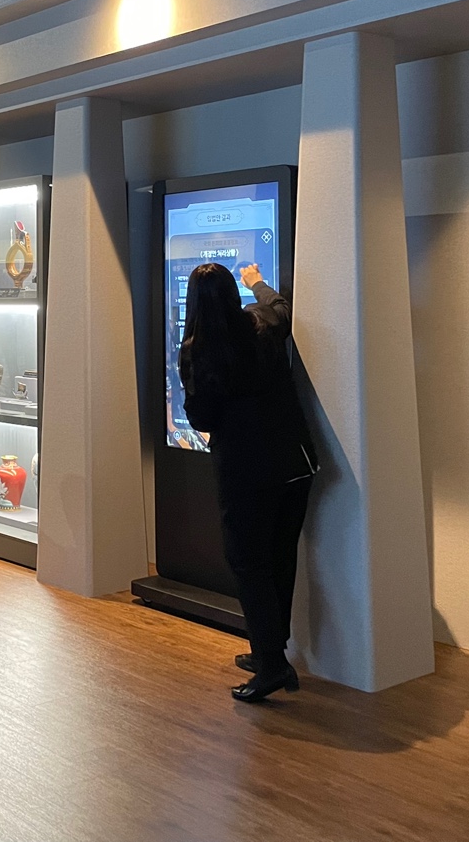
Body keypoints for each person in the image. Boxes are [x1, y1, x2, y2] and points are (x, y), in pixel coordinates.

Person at [178, 262, 319, 702]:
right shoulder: (261, 325)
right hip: (295, 463)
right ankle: (271, 653)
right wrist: (256, 281)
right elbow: (281, 308)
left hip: (245, 472)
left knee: (249, 563)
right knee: (280, 558)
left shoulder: (198, 351)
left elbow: (200, 417)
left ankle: (271, 665)